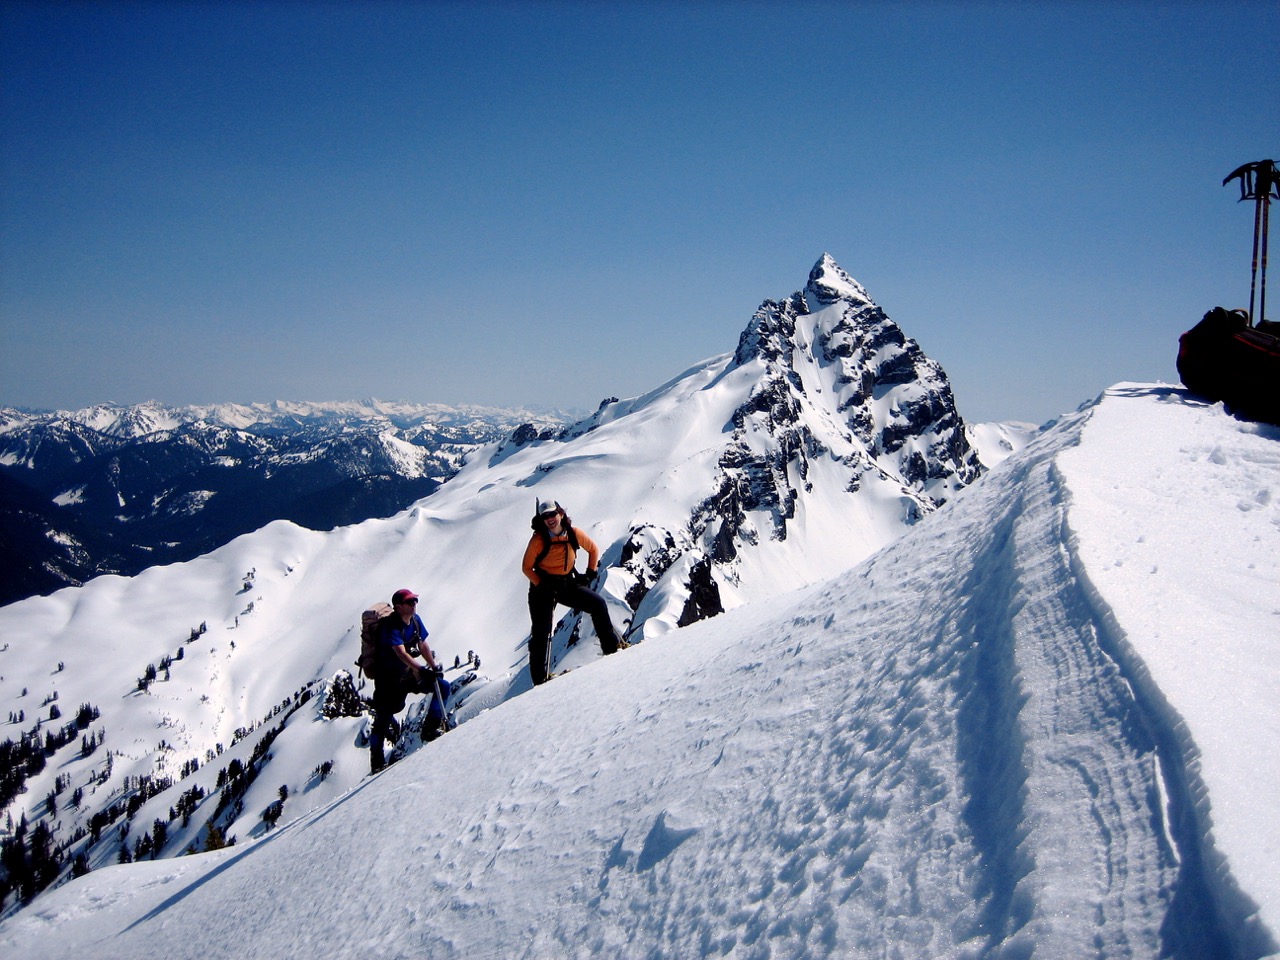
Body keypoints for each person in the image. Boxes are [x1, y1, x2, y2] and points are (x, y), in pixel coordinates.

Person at [521, 499, 626, 685]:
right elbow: (527, 567)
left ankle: (612, 649)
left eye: (552, 514)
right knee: (541, 632)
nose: (550, 519)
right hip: (542, 589)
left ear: (560, 514)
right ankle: (540, 679)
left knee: (597, 604)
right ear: (542, 520)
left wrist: (590, 573)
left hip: (565, 583)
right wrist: (541, 584)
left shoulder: (573, 533)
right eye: (545, 516)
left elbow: (593, 549)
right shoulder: (538, 540)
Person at [369, 588, 452, 773]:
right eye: (410, 602)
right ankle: (376, 761)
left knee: (443, 687)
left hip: (407, 676)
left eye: (415, 601)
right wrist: (423, 670)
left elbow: (422, 643)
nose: (414, 604)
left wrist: (433, 666)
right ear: (398, 607)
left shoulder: (415, 620)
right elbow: (400, 653)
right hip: (388, 680)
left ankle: (430, 729)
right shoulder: (389, 626)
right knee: (383, 717)